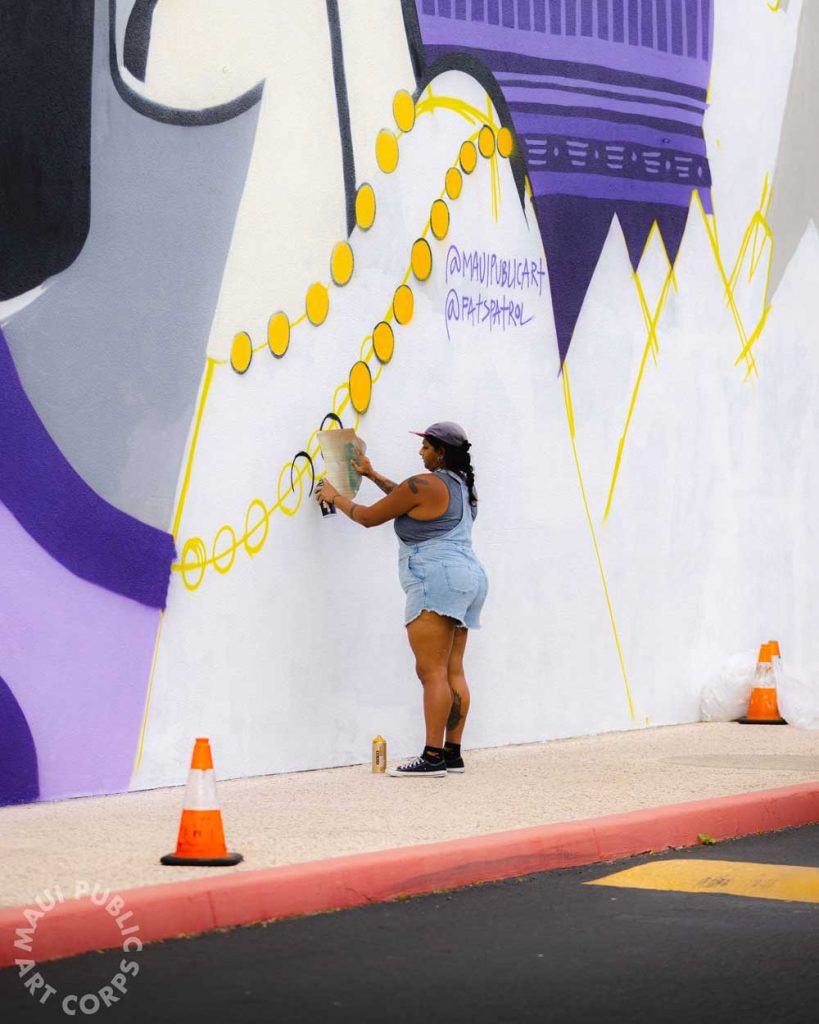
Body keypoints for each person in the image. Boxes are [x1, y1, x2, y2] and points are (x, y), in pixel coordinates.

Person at [314, 422, 488, 777]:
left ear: (441, 452)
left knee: (431, 672)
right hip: (469, 578)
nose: (420, 452)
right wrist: (372, 474)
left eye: (426, 447)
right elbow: (407, 499)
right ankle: (452, 754)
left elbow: (368, 517)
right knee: (453, 669)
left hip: (436, 579)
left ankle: (432, 758)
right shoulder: (462, 487)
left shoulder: (424, 483)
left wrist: (335, 496)